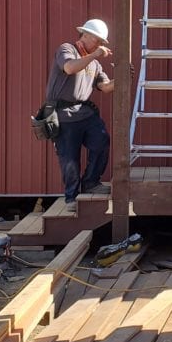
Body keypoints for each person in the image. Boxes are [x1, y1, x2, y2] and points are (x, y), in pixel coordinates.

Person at [45, 18, 115, 208]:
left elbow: (106, 87)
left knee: (101, 141)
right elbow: (69, 67)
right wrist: (95, 55)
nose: (99, 45)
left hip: (84, 111)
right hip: (63, 113)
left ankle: (91, 182)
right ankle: (71, 198)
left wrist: (123, 78)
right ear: (85, 35)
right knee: (69, 158)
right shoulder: (66, 49)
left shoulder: (95, 64)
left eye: (101, 42)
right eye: (97, 41)